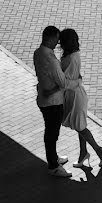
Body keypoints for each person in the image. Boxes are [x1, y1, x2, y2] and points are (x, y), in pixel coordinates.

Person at [58, 28, 102, 170]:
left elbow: (64, 81)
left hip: (74, 96)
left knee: (80, 127)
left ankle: (99, 151)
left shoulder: (70, 58)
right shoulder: (74, 54)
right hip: (75, 94)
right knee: (79, 125)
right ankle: (83, 153)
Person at [34, 26, 81, 178]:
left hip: (43, 98)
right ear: (51, 38)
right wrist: (77, 82)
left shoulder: (38, 53)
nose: (58, 42)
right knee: (52, 133)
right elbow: (63, 83)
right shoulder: (52, 61)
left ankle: (53, 158)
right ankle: (53, 166)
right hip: (53, 103)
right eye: (56, 39)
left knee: (50, 131)